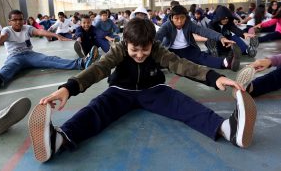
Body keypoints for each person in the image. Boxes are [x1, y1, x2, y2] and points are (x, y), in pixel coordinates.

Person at [28, 18, 257, 163]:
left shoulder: (157, 48)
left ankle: (228, 129)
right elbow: (99, 68)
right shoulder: (118, 49)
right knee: (96, 110)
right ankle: (59, 140)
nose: (139, 54)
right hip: (120, 90)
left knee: (183, 104)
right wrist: (69, 88)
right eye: (134, 49)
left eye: (144, 49)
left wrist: (213, 78)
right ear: (125, 42)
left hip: (153, 89)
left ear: (152, 43)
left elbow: (182, 65)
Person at [0, 10, 99, 90]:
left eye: (20, 19)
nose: (18, 21)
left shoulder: (27, 28)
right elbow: (3, 37)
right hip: (15, 57)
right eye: (15, 20)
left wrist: (56, 35)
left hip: (30, 55)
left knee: (52, 60)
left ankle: (82, 63)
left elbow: (40, 31)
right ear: (10, 21)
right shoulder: (7, 30)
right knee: (8, 68)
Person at [156, 5, 240, 71]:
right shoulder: (167, 25)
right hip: (171, 51)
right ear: (171, 18)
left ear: (186, 17)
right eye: (176, 18)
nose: (179, 21)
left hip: (188, 49)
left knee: (202, 57)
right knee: (161, 61)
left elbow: (203, 31)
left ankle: (226, 63)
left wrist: (221, 37)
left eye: (182, 18)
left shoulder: (189, 24)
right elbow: (158, 35)